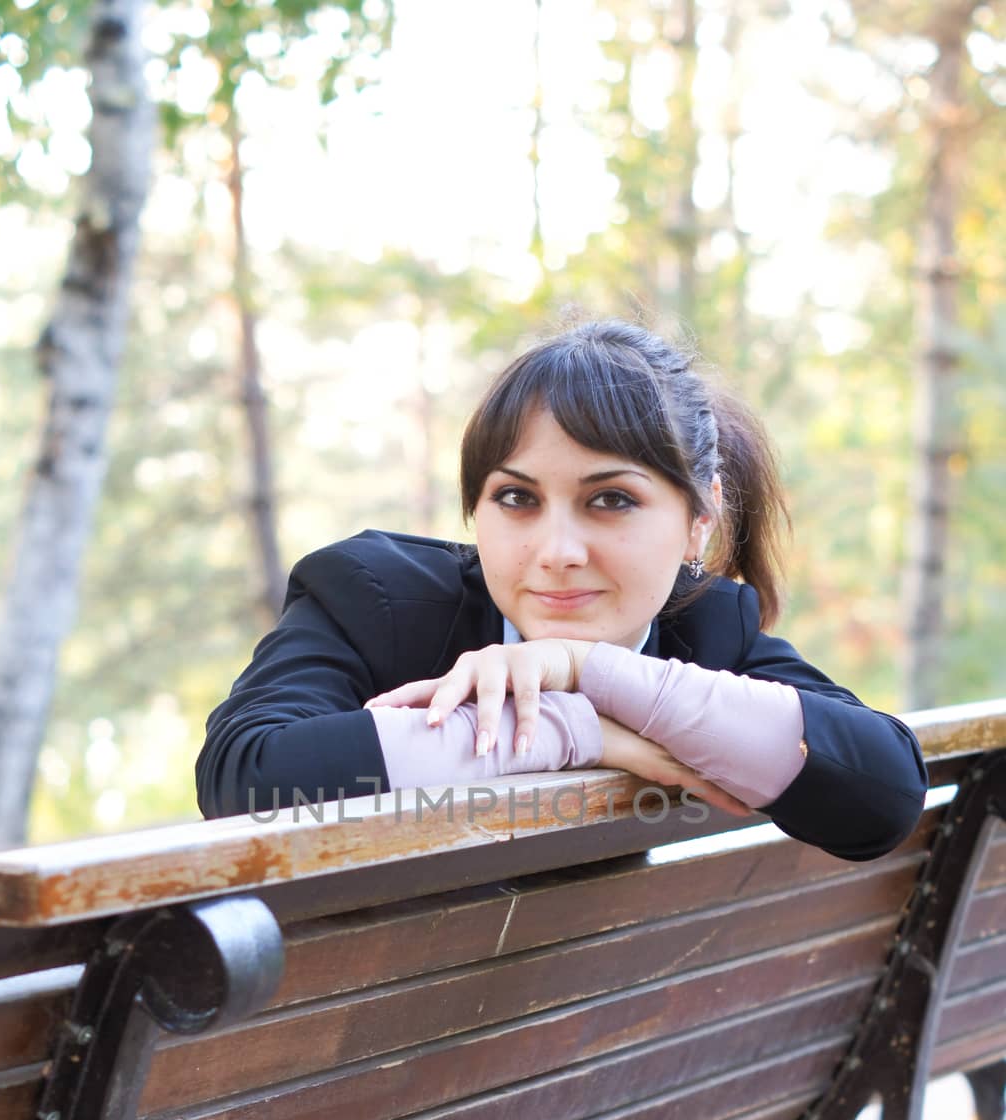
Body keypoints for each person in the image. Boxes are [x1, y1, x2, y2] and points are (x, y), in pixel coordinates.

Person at [196, 319, 927, 861]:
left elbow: (882, 796)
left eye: (609, 500)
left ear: (697, 520)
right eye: (516, 499)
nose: (556, 552)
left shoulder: (704, 632)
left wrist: (584, 673)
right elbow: (245, 780)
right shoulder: (369, 598)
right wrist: (577, 732)